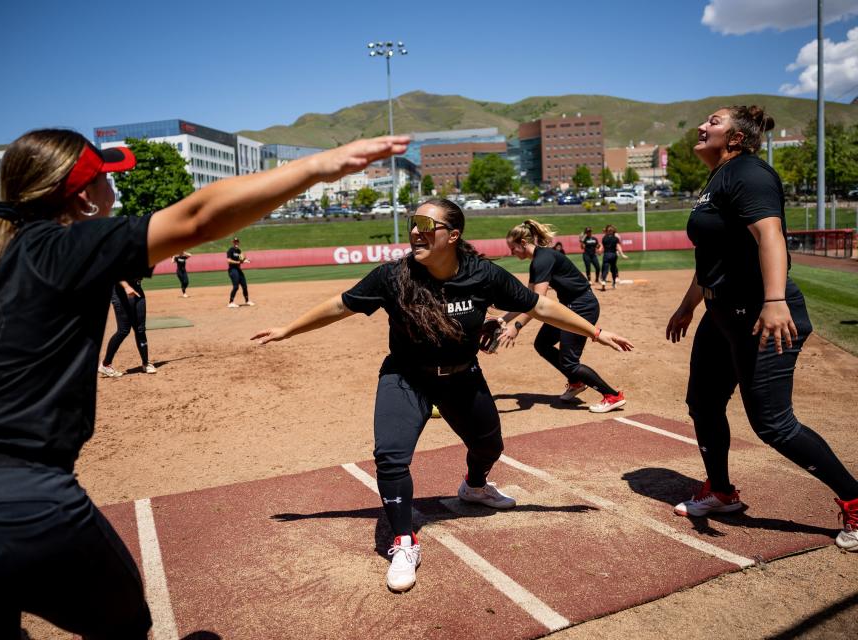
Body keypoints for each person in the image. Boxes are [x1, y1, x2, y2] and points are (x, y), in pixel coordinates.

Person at [0, 128, 409, 637]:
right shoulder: (68, 247)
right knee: (126, 627)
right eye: (106, 178)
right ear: (81, 196)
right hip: (22, 502)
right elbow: (198, 217)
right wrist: (320, 167)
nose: (113, 189)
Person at [252, 198, 633, 593]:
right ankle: (404, 541)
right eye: (412, 222)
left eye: (425, 224)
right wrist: (287, 330)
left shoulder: (482, 274)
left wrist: (597, 333)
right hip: (406, 377)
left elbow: (540, 305)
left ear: (453, 235)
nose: (415, 230)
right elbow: (340, 304)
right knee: (391, 456)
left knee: (489, 446)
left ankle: (475, 485)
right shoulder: (393, 277)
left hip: (462, 377)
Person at [665, 104, 857, 550]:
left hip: (760, 316)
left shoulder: (749, 173)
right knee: (704, 402)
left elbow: (770, 237)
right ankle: (721, 491)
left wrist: (773, 301)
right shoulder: (717, 178)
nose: (702, 126)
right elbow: (715, 256)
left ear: (736, 138)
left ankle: (855, 499)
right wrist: (688, 305)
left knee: (773, 424)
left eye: (713, 122)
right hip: (720, 315)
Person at [500, 219, 628, 413]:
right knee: (542, 344)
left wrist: (516, 327)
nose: (512, 252)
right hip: (570, 306)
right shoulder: (538, 260)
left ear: (523, 243)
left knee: (569, 362)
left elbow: (537, 302)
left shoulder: (542, 260)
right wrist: (503, 319)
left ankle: (612, 395)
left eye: (513, 248)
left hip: (582, 306)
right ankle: (576, 383)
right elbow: (527, 299)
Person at [99, 278, 156, 376]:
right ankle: (106, 364)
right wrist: (126, 286)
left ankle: (146, 363)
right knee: (123, 330)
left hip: (137, 289)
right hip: (121, 292)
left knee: (140, 329)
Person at [598, 224, 627, 290]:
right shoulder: (615, 238)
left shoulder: (604, 238)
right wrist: (622, 254)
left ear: (607, 231)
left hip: (606, 255)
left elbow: (601, 248)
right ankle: (613, 283)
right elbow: (618, 247)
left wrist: (599, 252)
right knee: (613, 269)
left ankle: (603, 281)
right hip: (613, 255)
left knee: (605, 269)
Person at [226, 236, 252, 307]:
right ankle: (231, 302)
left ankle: (247, 301)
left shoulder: (239, 251)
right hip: (232, 270)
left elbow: (241, 260)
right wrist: (238, 262)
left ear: (239, 242)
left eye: (237, 241)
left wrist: (245, 260)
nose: (236, 242)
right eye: (235, 241)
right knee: (236, 287)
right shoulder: (230, 250)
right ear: (233, 242)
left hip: (238, 269)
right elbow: (228, 260)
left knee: (244, 286)